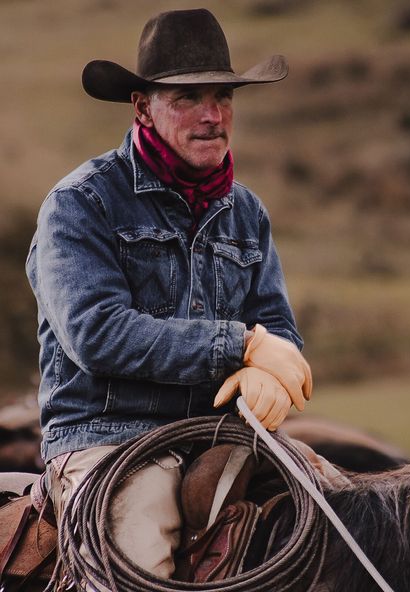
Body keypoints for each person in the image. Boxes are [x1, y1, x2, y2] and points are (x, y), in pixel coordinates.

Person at [26, 7, 312, 587]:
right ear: (142, 107)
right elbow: (97, 334)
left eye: (223, 96)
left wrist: (273, 368)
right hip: (108, 438)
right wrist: (241, 347)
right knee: (139, 547)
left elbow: (277, 331)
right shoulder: (81, 204)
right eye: (186, 99)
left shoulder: (247, 213)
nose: (211, 116)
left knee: (326, 520)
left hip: (221, 433)